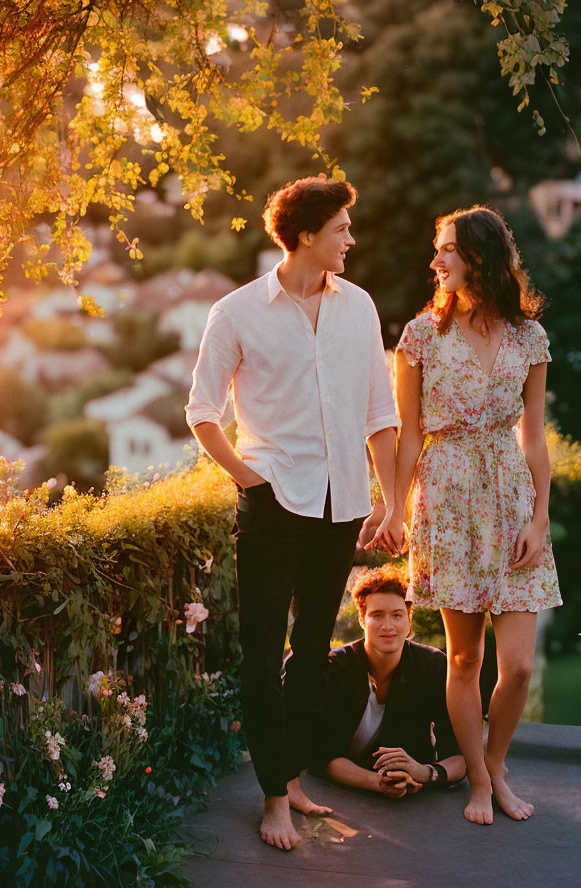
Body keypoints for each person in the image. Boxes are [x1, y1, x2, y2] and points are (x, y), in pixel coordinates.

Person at [185, 175, 399, 850]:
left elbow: (378, 410)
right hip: (276, 502)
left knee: (312, 650)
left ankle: (294, 774)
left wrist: (391, 498)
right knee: (260, 653)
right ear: (307, 235)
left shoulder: (358, 307)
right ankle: (273, 796)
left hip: (342, 503)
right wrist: (254, 484)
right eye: (341, 228)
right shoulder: (238, 312)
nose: (351, 240)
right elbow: (202, 413)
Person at [375, 206, 562, 825]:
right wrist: (392, 508)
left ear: (479, 255)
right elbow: (407, 437)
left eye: (446, 249)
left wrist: (539, 517)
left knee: (521, 666)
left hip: (510, 498)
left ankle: (497, 763)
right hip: (448, 497)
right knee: (463, 660)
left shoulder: (528, 337)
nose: (436, 261)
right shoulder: (422, 336)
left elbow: (534, 439)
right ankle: (479, 780)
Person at [317, 565, 465, 797]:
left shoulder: (433, 665)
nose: (388, 626)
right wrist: (376, 783)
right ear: (362, 620)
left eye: (397, 615)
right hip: (339, 794)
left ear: (409, 621)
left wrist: (424, 773)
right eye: (377, 615)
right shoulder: (336, 666)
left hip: (416, 804)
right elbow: (325, 755)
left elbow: (460, 756)